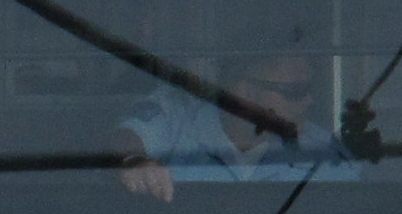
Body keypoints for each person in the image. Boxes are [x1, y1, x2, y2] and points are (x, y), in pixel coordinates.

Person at [118, 47, 357, 201]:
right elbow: (124, 139)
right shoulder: (178, 116)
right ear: (245, 91)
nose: (309, 100)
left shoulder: (328, 155)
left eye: (309, 89)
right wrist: (136, 162)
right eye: (294, 91)